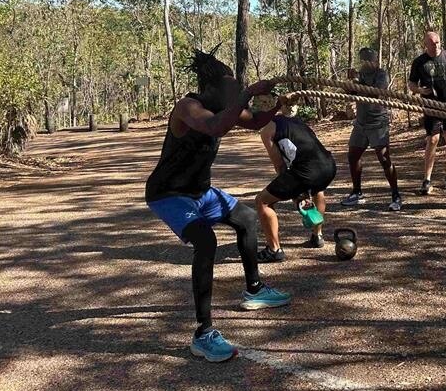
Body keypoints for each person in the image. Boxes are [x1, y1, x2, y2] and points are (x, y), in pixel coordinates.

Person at [145, 49, 290, 364]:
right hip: (168, 194)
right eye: (230, 89)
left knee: (247, 217)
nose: (234, 95)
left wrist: (278, 105)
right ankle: (203, 332)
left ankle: (254, 290)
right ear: (211, 88)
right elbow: (214, 127)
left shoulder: (224, 107)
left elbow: (253, 122)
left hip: (201, 192)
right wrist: (248, 93)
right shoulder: (188, 107)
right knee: (206, 241)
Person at [255, 94, 338, 262]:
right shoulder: (298, 121)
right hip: (329, 166)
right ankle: (317, 236)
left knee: (263, 201)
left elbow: (279, 166)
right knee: (317, 189)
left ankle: (274, 249)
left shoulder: (267, 130)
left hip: (308, 171)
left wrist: (295, 192)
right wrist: (298, 191)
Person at [341, 48, 402, 210]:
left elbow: (374, 93)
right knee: (353, 155)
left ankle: (396, 196)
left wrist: (357, 82)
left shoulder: (381, 74)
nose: (365, 63)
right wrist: (349, 82)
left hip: (377, 123)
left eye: (368, 60)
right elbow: (350, 91)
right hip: (360, 123)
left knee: (384, 159)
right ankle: (357, 192)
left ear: (374, 61)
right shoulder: (360, 74)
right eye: (363, 60)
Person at [408, 31, 446, 195]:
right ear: (425, 45)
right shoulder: (419, 62)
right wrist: (420, 90)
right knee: (433, 139)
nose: (436, 45)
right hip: (431, 106)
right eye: (432, 43)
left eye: (438, 42)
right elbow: (412, 84)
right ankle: (427, 179)